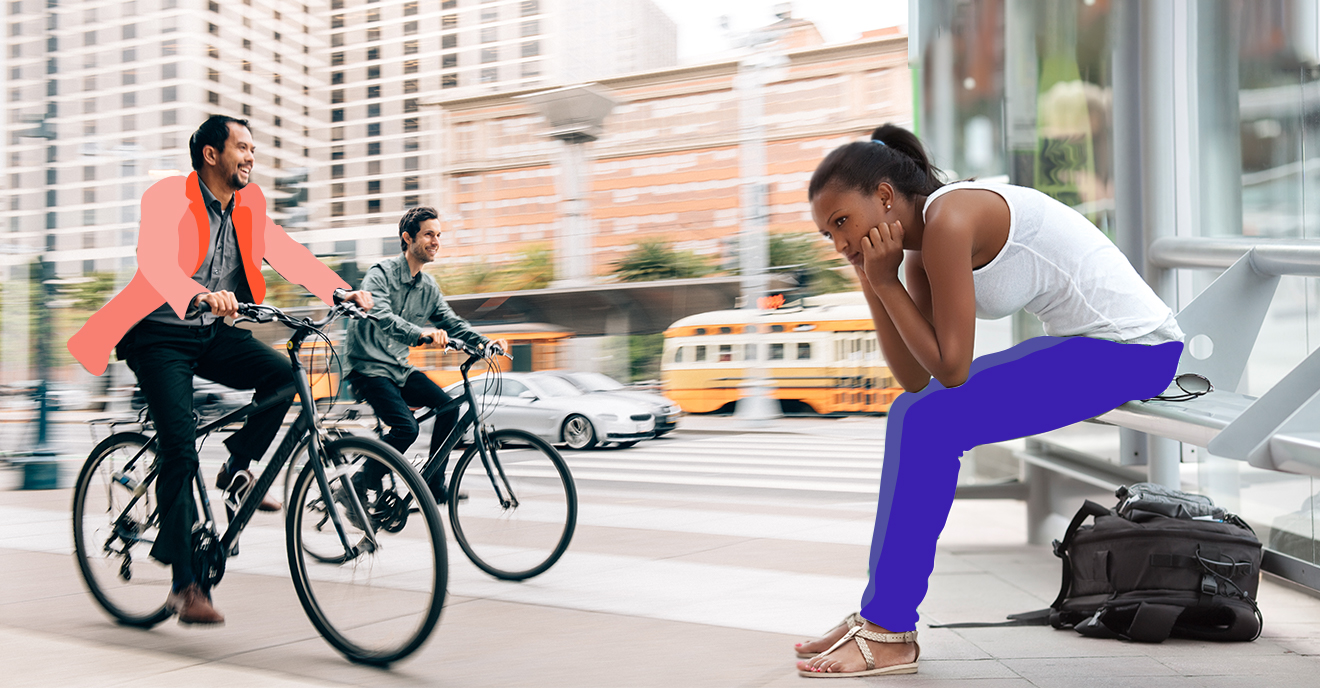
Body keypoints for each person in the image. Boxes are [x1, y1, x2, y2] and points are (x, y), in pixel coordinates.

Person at [793, 124, 1184, 678]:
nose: (837, 243)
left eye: (841, 223)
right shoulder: (916, 255)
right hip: (1084, 347)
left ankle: (889, 628)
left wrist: (884, 284)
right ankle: (880, 617)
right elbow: (914, 376)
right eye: (827, 235)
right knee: (915, 413)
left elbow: (950, 370)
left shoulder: (951, 220)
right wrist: (871, 277)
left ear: (883, 197)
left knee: (928, 424)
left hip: (1134, 349)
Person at [67, 115, 373, 625]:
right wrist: (199, 294)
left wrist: (339, 290)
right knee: (180, 448)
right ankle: (184, 588)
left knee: (281, 377)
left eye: (253, 149)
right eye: (243, 147)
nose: (251, 156)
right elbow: (156, 264)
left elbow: (286, 252)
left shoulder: (246, 207)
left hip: (211, 332)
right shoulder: (167, 196)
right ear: (212, 155)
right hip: (159, 334)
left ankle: (236, 469)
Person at [344, 206, 508, 499]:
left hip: (398, 368)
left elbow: (451, 322)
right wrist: (421, 333)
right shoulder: (380, 274)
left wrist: (484, 343)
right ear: (408, 238)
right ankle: (360, 482)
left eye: (439, 235)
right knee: (406, 429)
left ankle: (433, 480)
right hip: (368, 368)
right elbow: (380, 315)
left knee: (450, 407)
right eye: (428, 234)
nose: (435, 241)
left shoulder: (428, 287)